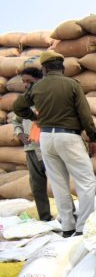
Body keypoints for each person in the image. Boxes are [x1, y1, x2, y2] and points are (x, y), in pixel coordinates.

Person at [12, 50, 96, 237]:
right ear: (63, 68)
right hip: (68, 137)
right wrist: (93, 138)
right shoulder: (71, 84)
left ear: (44, 69)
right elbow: (85, 115)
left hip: (46, 139)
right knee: (86, 181)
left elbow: (17, 107)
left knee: (59, 183)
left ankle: (67, 227)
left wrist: (34, 117)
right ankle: (83, 227)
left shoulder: (37, 87)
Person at [10, 67, 51, 221]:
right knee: (37, 186)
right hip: (32, 149)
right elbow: (16, 120)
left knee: (59, 183)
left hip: (49, 147)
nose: (26, 85)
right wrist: (20, 133)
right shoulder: (25, 101)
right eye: (24, 82)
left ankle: (68, 217)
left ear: (40, 80)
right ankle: (45, 218)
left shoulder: (48, 96)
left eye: (30, 81)